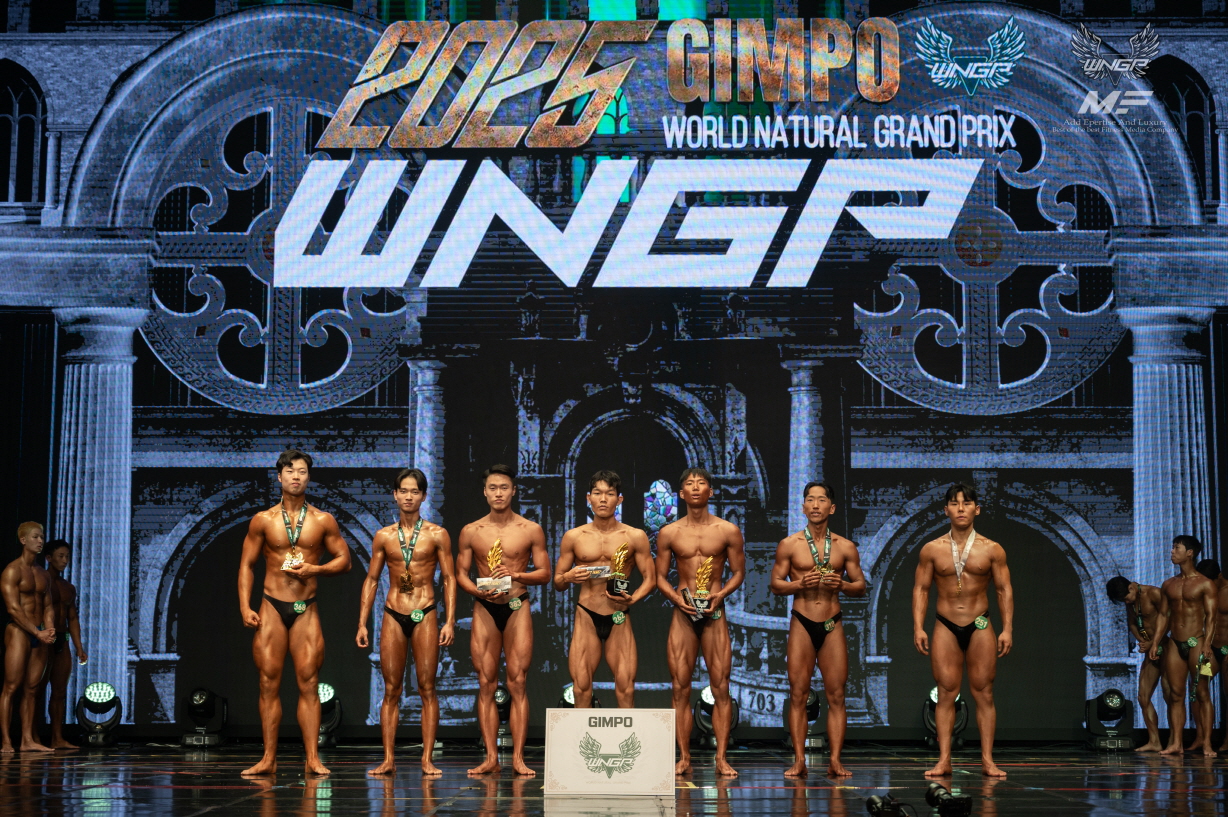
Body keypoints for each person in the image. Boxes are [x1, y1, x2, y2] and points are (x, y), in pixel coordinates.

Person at [237, 449, 352, 776]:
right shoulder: (263, 520)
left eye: (302, 471)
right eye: (290, 471)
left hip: (305, 608)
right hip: (271, 606)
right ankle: (268, 758)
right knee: (268, 682)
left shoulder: (323, 520)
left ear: (308, 477)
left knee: (309, 682)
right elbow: (246, 565)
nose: (296, 476)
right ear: (279, 477)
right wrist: (245, 606)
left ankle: (312, 758)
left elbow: (344, 561)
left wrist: (315, 569)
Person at [356, 468, 456, 776]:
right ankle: (388, 759)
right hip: (393, 613)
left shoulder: (437, 534)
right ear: (395, 495)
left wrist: (450, 621)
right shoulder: (384, 536)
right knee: (391, 689)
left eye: (415, 491)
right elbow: (372, 579)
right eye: (404, 491)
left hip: (425, 611)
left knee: (427, 687)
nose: (409, 497)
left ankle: (427, 759)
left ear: (423, 496)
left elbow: (450, 578)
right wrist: (362, 622)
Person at [912, 484, 1013, 778]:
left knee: (984, 692)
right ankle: (944, 759)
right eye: (954, 503)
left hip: (980, 623)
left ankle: (987, 760)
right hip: (945, 624)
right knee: (946, 693)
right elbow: (921, 589)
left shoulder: (992, 549)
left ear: (976, 510)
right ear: (946, 510)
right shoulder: (931, 549)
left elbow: (1004, 590)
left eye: (966, 503)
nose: (960, 508)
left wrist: (1007, 629)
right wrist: (918, 627)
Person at [456, 464, 550, 776]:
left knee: (518, 682)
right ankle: (491, 757)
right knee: (486, 683)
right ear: (485, 492)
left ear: (514, 491)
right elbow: (460, 574)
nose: (499, 493)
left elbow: (545, 573)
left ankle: (519, 758)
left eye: (504, 488)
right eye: (493, 488)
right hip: (485, 607)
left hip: (516, 604)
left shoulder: (530, 529)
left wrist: (516, 574)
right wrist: (476, 591)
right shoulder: (471, 531)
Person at [770, 481, 866, 777]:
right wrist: (799, 584)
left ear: (831, 508)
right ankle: (799, 760)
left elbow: (861, 586)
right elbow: (776, 584)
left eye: (821, 500)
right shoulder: (789, 545)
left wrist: (844, 585)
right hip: (802, 620)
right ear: (803, 507)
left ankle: (835, 760)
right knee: (798, 693)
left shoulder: (845, 546)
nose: (815, 505)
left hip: (831, 623)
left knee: (836, 695)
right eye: (810, 500)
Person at [655, 467, 746, 777]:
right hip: (683, 612)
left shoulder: (727, 530)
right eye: (690, 484)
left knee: (721, 687)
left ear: (711, 491)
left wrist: (721, 596)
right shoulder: (669, 532)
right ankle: (684, 757)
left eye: (701, 483)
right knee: (680, 688)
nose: (695, 487)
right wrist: (676, 599)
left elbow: (738, 572)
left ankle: (721, 757)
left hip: (714, 612)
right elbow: (659, 577)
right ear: (682, 493)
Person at [553, 470, 656, 708]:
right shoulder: (574, 536)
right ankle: (582, 734)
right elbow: (557, 582)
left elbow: (650, 579)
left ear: (619, 499)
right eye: (597, 493)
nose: (602, 499)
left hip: (618, 614)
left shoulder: (635, 536)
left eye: (609, 494)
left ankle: (626, 734)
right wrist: (568, 576)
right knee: (581, 688)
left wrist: (633, 599)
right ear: (588, 498)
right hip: (586, 614)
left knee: (626, 688)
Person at [1148, 537, 1216, 757]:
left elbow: (1211, 617)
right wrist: (1156, 641)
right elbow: (1163, 615)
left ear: (1190, 553)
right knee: (1176, 694)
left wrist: (1208, 643)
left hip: (1197, 642)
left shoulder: (1205, 584)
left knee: (1202, 692)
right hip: (1175, 643)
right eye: (1172, 547)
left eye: (1176, 548)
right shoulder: (1169, 584)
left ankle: (1207, 743)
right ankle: (1176, 743)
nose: (1172, 551)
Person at [0, 522, 56, 753]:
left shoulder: (43, 574)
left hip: (40, 633)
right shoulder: (12, 570)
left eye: (41, 537)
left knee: (32, 688)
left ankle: (27, 740)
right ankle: (6, 741)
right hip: (19, 631)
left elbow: (48, 606)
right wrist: (37, 632)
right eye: (35, 537)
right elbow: (13, 609)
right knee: (11, 686)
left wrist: (49, 628)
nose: (40, 541)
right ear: (23, 540)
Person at [1105, 575, 1168, 752]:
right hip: (1150, 650)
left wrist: (1154, 642)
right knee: (1143, 696)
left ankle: (1175, 741)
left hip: (1166, 646)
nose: (1126, 602)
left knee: (1171, 696)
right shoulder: (1130, 602)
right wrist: (1143, 642)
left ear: (1131, 587)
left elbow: (1169, 619)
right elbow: (1132, 623)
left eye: (1126, 598)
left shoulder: (1154, 593)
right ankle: (1154, 741)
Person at [44, 540, 87, 749]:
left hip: (63, 639)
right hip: (44, 639)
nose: (64, 560)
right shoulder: (40, 583)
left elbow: (73, 618)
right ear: (48, 558)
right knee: (35, 690)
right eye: (60, 556)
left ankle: (57, 738)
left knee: (60, 692)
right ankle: (31, 737)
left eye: (67, 556)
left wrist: (79, 647)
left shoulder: (69, 587)